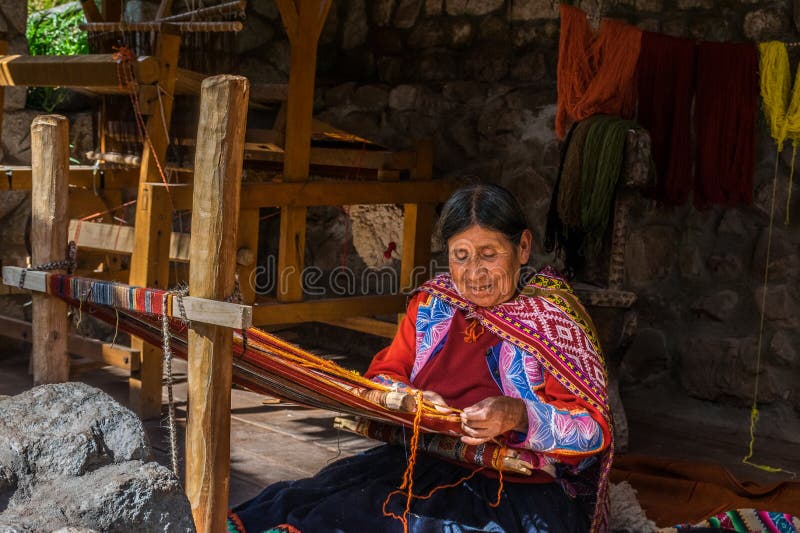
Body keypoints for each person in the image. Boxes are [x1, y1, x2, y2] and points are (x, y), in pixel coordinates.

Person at [228, 183, 612, 533]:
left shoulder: (552, 321)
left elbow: (590, 430)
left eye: (489, 254)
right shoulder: (434, 305)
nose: (474, 272)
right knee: (311, 505)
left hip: (514, 485)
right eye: (460, 256)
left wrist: (517, 415)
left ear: (523, 248)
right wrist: (409, 399)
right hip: (421, 460)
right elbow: (383, 377)